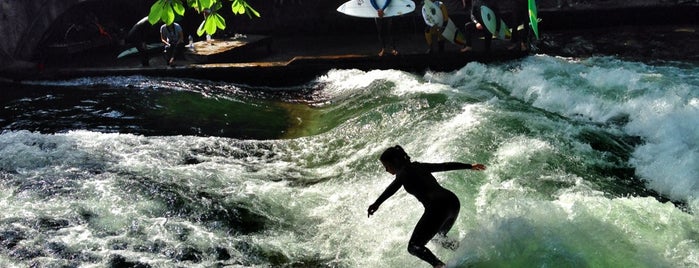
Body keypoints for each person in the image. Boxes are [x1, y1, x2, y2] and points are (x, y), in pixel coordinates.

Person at [368, 145, 487, 268]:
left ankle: (439, 265)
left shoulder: (403, 173)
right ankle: (468, 250)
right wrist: (469, 166)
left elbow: (392, 188)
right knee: (438, 238)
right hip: (452, 202)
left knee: (414, 246)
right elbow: (444, 166)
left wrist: (377, 203)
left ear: (395, 162)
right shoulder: (418, 166)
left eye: (386, 166)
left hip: (438, 208)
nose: (386, 170)